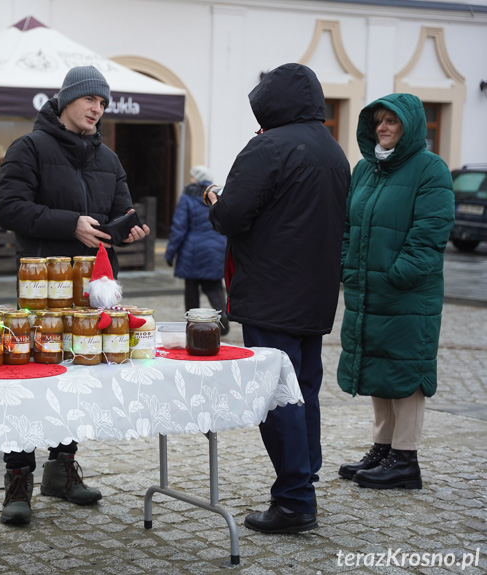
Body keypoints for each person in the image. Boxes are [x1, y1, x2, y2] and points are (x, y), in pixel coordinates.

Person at [0, 65, 150, 526]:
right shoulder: (29, 148)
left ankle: (62, 469)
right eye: (90, 100)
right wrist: (70, 223)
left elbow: (120, 210)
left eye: (103, 102)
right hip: (43, 289)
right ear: (67, 102)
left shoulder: (109, 157)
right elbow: (8, 208)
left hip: (95, 290)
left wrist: (127, 228)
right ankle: (17, 478)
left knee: (78, 380)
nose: (98, 108)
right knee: (29, 379)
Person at [205, 63, 350, 533]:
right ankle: (304, 478)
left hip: (271, 294)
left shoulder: (266, 146)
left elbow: (231, 216)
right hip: (315, 295)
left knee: (277, 396)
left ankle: (293, 500)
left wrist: (213, 200)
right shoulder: (333, 151)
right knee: (304, 390)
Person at [336, 94, 454, 490]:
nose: (383, 127)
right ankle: (383, 448)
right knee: (378, 366)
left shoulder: (430, 169)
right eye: (379, 121)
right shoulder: (366, 170)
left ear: (411, 127)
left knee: (407, 371)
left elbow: (430, 234)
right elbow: (348, 226)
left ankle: (406, 457)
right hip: (369, 290)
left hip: (407, 294)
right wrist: (348, 266)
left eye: (392, 121)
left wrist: (396, 275)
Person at [164, 165, 229, 335]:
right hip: (216, 247)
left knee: (191, 289)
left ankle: (193, 324)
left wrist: (170, 253)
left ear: (196, 179)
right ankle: (222, 318)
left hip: (192, 251)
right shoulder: (218, 195)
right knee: (214, 287)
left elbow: (179, 227)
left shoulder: (188, 197)